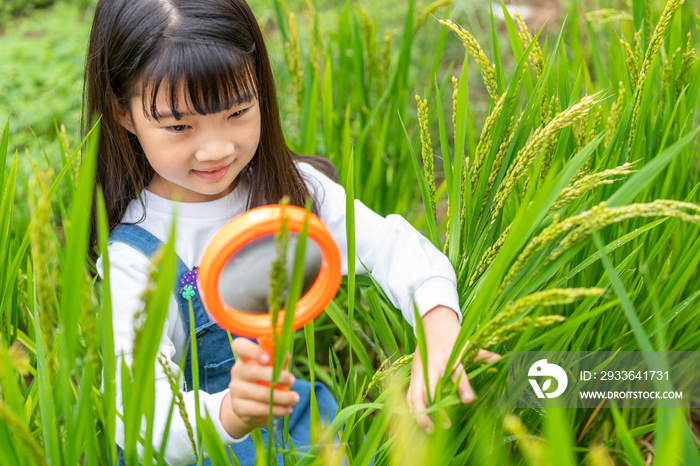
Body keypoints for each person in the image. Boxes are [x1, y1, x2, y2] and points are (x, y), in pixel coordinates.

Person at [85, 0, 500, 465]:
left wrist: (438, 327)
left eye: (238, 112)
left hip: (290, 421)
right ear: (123, 113)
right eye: (180, 126)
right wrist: (229, 413)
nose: (216, 149)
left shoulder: (286, 190)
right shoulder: (137, 257)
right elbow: (137, 411)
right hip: (195, 447)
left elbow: (389, 247)